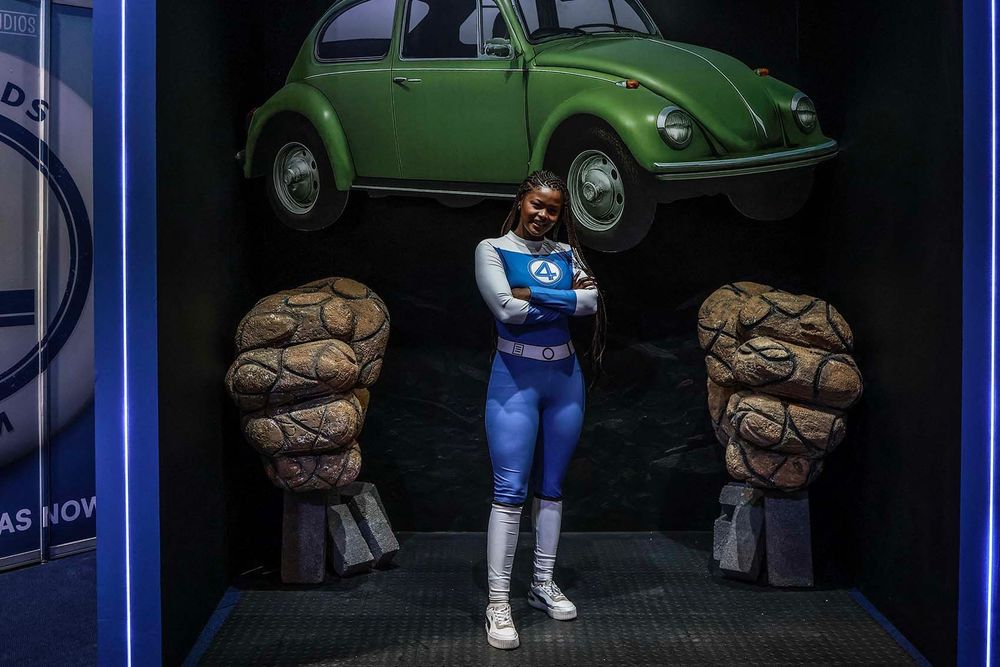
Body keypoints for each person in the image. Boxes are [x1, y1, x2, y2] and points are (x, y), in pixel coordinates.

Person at [474, 170, 605, 650]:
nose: (544, 215)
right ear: (521, 202)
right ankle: (498, 601)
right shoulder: (491, 248)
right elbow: (505, 311)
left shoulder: (567, 253)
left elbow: (591, 303)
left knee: (551, 487)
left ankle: (541, 584)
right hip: (515, 378)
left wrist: (532, 294)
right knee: (509, 488)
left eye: (553, 209)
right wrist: (564, 301)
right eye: (537, 205)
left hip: (565, 379)